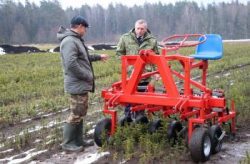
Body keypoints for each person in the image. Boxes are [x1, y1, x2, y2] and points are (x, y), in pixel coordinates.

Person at [57, 15, 108, 152]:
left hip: (80, 84)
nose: (85, 30)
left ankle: (78, 140)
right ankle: (68, 144)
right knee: (75, 114)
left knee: (80, 112)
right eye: (85, 28)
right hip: (77, 84)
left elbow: (83, 58)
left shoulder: (76, 40)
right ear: (79, 26)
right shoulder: (69, 41)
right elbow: (71, 64)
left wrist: (98, 57)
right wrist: (87, 76)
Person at [116, 19, 159, 121]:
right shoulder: (125, 38)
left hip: (145, 75)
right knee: (128, 99)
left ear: (146, 29)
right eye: (138, 28)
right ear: (134, 28)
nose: (139, 31)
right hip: (130, 75)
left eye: (142, 29)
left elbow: (157, 56)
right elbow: (119, 53)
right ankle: (128, 119)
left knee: (141, 99)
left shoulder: (152, 40)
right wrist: (127, 65)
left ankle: (140, 120)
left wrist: (157, 72)